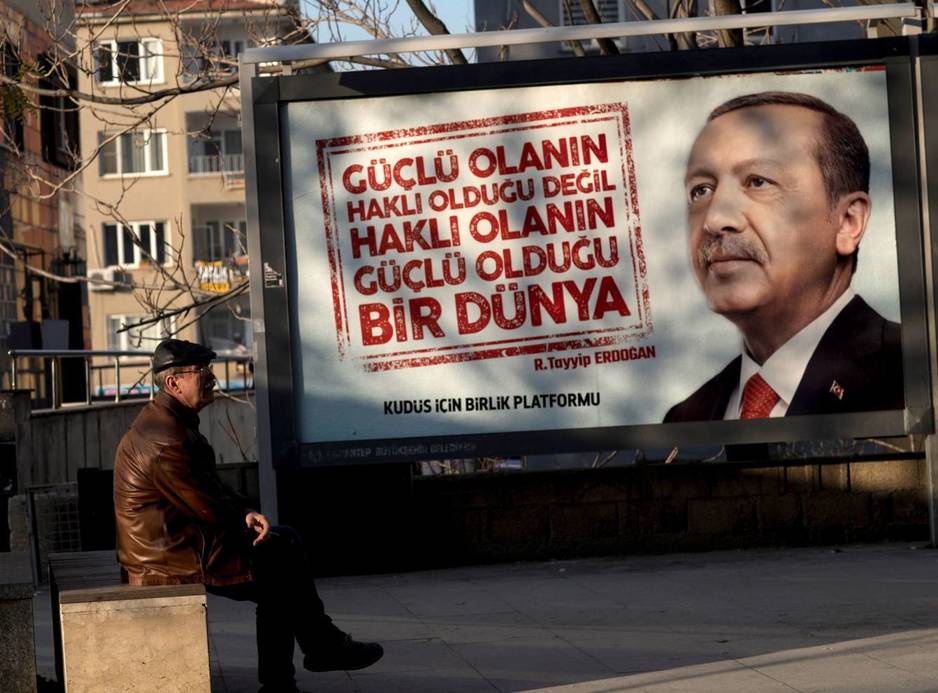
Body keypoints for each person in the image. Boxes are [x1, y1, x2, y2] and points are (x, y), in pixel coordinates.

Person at [114, 338, 383, 693]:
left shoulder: (169, 422)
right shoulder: (165, 437)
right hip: (167, 556)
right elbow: (205, 506)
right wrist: (241, 521)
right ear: (173, 383)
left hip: (176, 541)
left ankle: (306, 661)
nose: (211, 377)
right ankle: (311, 656)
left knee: (282, 546)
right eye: (201, 372)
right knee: (279, 565)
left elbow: (209, 490)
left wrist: (245, 512)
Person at [664, 91, 903, 423]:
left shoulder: (914, 372)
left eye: (758, 182)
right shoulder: (687, 418)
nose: (715, 219)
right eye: (701, 190)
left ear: (848, 222)